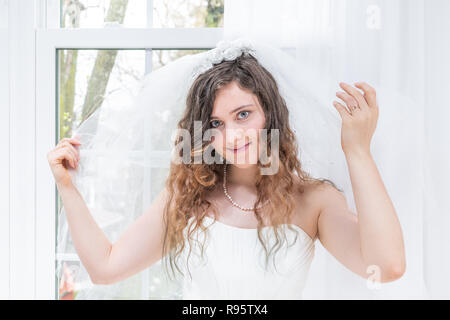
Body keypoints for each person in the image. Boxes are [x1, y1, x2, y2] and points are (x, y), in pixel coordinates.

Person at [47, 38, 406, 299]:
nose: (232, 135)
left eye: (243, 115)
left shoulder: (314, 200)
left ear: (270, 114)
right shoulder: (187, 198)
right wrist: (67, 187)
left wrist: (357, 150)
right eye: (216, 124)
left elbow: (386, 267)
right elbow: (106, 269)